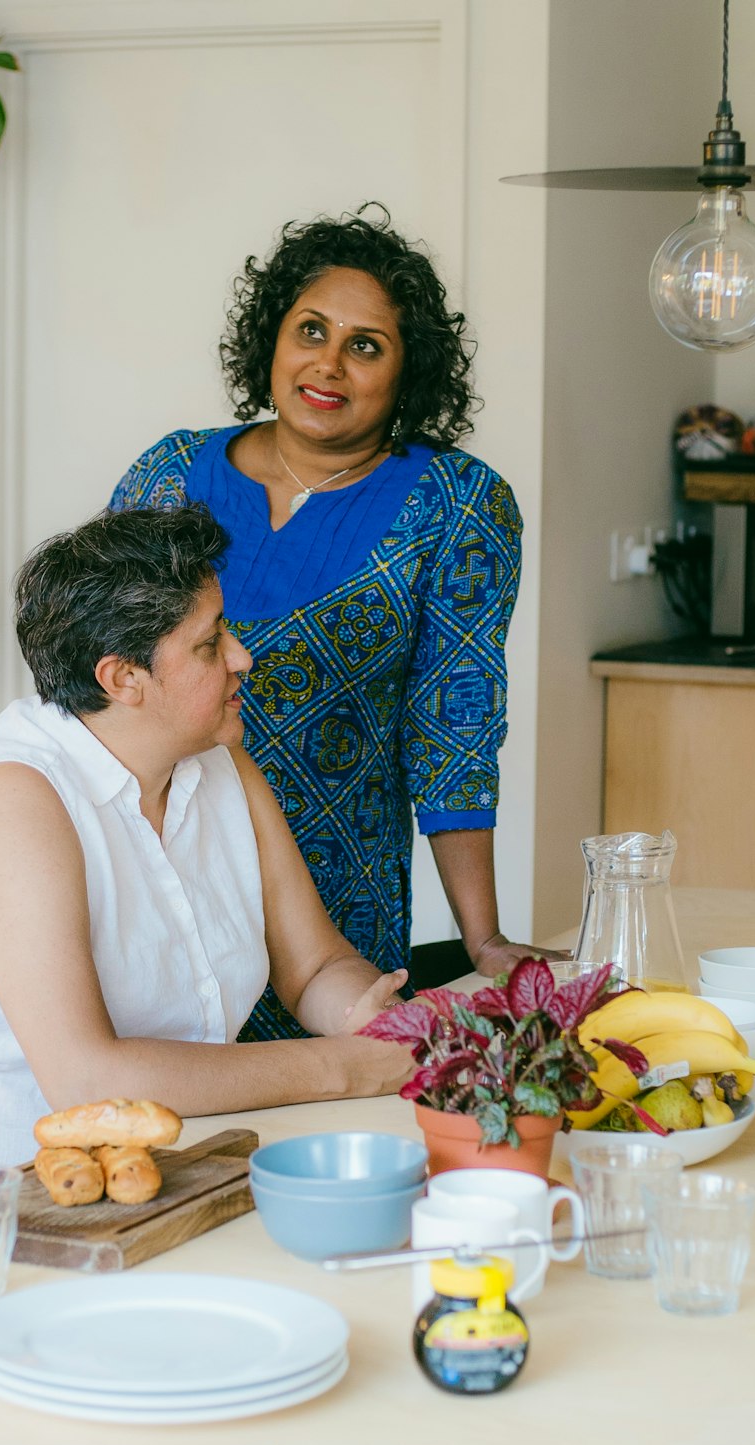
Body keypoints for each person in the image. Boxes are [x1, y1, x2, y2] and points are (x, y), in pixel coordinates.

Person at [0, 506, 412, 1204]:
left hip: (160, 1178)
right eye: (211, 644)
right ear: (123, 678)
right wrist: (351, 1066)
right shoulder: (14, 802)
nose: (242, 656)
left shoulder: (217, 758)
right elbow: (87, 1079)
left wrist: (366, 1017)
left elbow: (313, 967)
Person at [111, 206, 557, 1042]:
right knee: (164, 1133)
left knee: (329, 1134)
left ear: (406, 373)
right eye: (310, 329)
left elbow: (452, 725)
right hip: (163, 880)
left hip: (336, 910)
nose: (328, 362)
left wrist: (482, 936)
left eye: (365, 345)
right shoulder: (170, 473)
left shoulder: (458, 505)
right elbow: (95, 684)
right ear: (270, 342)